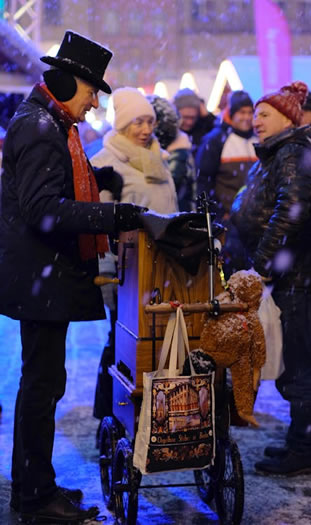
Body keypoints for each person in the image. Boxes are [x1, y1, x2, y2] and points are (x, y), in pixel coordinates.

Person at [0, 30, 146, 523]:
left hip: (41, 278)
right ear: (67, 83)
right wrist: (114, 214)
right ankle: (34, 499)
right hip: (40, 278)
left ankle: (36, 485)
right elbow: (43, 209)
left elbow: (50, 187)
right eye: (89, 93)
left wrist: (98, 183)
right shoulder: (42, 127)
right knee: (41, 388)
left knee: (44, 385)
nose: (91, 106)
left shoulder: (46, 122)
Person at [231, 81, 311, 476]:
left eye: (265, 114)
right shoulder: (278, 153)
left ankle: (305, 449)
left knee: (300, 366)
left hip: (300, 278)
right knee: (297, 363)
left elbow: (290, 210)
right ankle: (299, 441)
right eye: (255, 113)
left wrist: (263, 264)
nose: (256, 120)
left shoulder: (293, 152)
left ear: (288, 118)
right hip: (293, 276)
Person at [90, 87, 178, 429]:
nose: (145, 130)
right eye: (137, 122)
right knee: (121, 339)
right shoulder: (105, 161)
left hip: (163, 266)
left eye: (149, 122)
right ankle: (110, 413)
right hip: (126, 268)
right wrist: (110, 264)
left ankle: (150, 411)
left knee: (155, 339)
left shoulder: (160, 158)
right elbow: (100, 221)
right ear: (121, 124)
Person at [196, 90, 257, 276]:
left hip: (255, 220)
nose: (246, 118)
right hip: (230, 221)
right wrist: (218, 215)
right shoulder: (216, 141)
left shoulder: (257, 138)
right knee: (233, 273)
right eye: (242, 112)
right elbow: (204, 181)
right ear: (232, 113)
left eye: (250, 112)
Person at [147, 94, 196, 211]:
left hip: (175, 217)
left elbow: (165, 189)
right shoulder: (179, 147)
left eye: (150, 122)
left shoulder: (178, 152)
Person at [173, 88, 215, 156]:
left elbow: (219, 131)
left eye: (193, 117)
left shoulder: (204, 127)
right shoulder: (170, 133)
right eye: (185, 117)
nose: (189, 122)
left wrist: (207, 116)